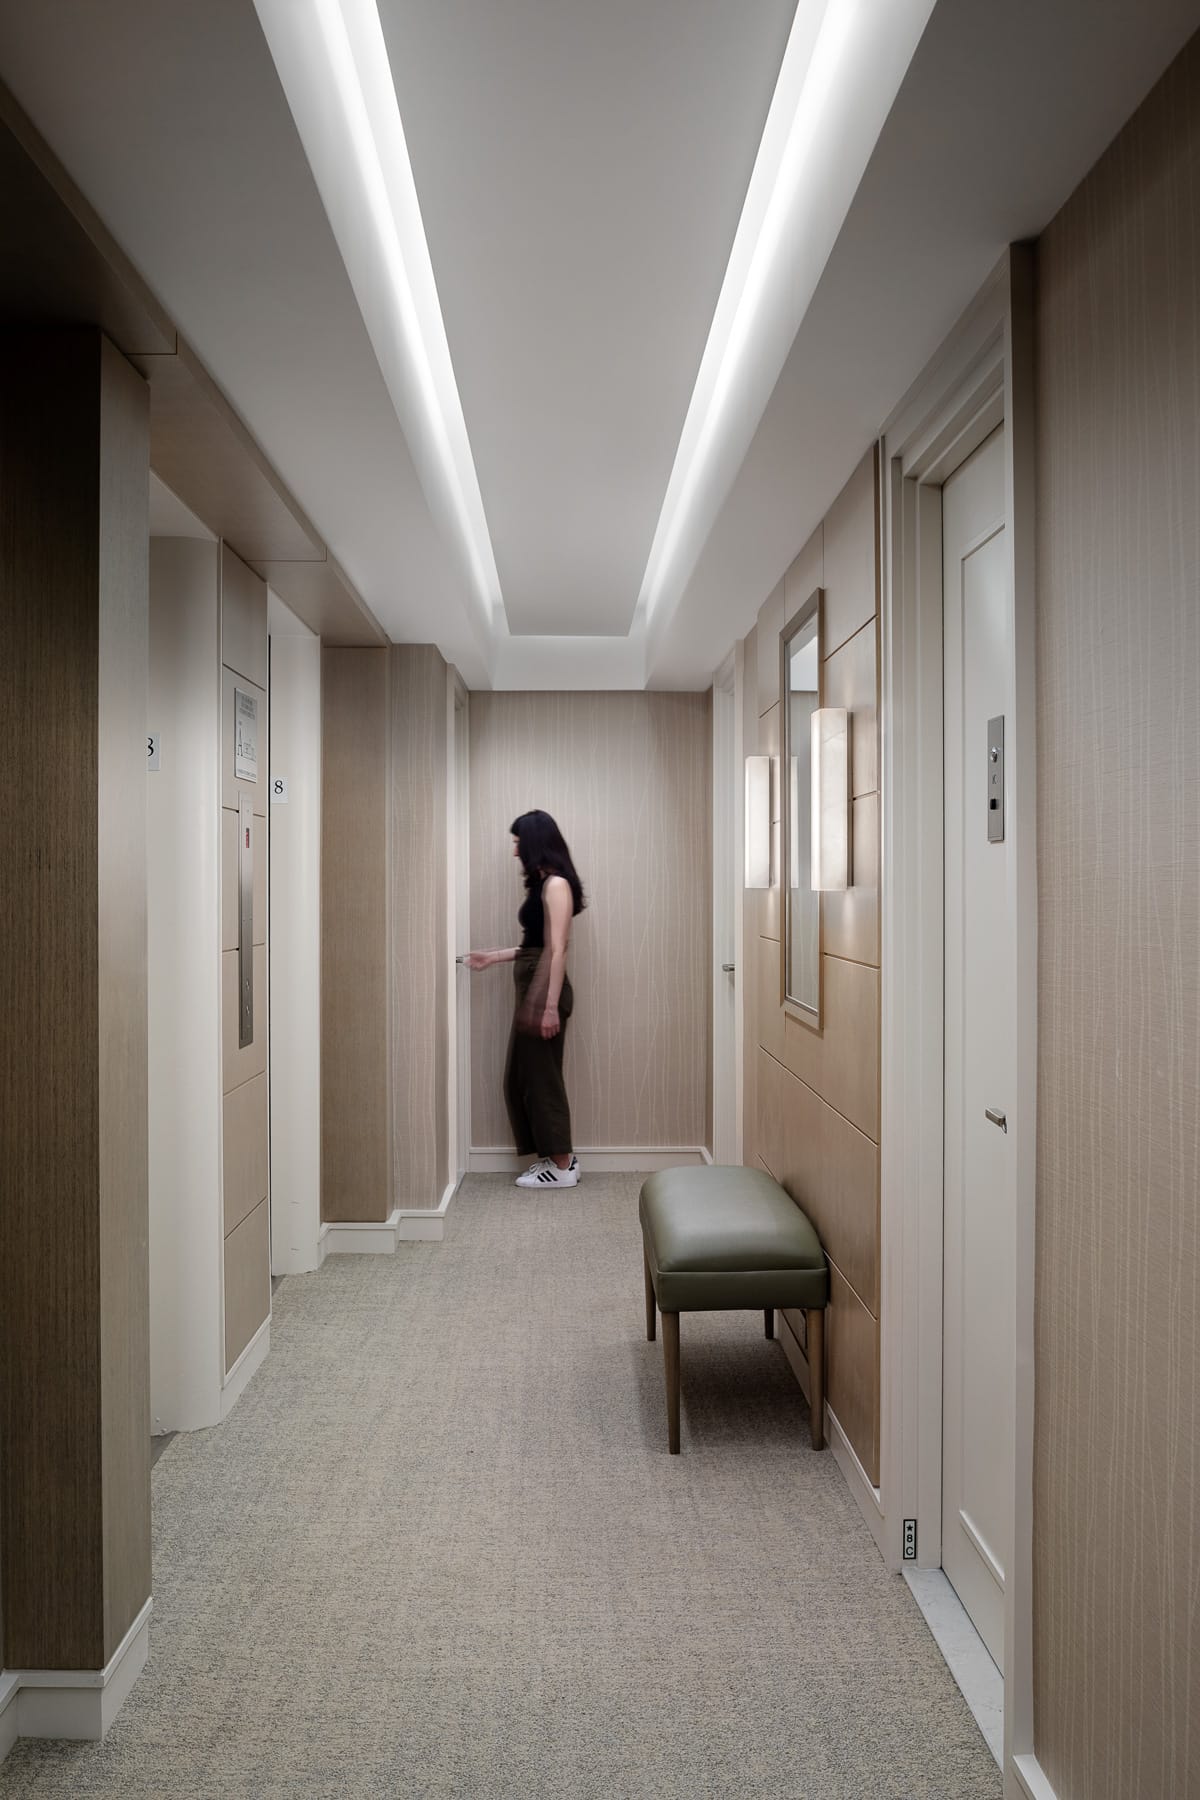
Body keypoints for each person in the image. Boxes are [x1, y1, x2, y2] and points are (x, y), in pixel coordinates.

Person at [465, 810, 585, 1189]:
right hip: (535, 982)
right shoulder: (542, 885)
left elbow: (557, 950)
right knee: (521, 1077)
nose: (515, 850)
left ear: (534, 842)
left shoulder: (557, 886)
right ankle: (555, 1157)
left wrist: (547, 1006)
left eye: (518, 842)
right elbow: (534, 946)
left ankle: (563, 1166)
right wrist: (494, 957)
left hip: (545, 987)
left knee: (541, 1078)